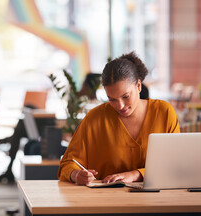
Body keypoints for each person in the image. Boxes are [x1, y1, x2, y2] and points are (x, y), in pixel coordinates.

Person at [58, 52, 180, 185]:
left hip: (157, 200)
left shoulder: (164, 113)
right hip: (105, 201)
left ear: (138, 86)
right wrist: (76, 175)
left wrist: (136, 174)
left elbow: (175, 164)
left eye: (126, 96)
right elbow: (67, 164)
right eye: (112, 99)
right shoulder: (94, 119)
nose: (120, 106)